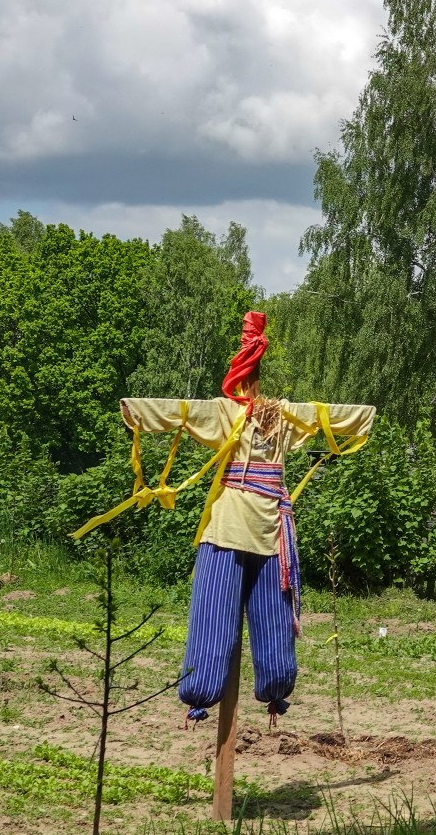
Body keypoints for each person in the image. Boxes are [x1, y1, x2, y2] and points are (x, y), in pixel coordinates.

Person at [117, 312, 375, 727]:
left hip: (269, 534)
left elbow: (185, 412)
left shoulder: (267, 414)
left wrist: (135, 410)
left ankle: (268, 691)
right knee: (213, 616)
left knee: (270, 619)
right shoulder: (249, 414)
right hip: (238, 529)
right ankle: (205, 693)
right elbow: (183, 412)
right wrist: (139, 411)